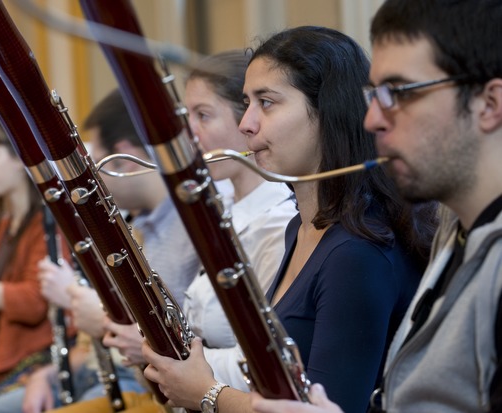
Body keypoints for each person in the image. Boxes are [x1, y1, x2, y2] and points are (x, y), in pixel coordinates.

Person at [141, 26, 439, 413]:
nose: (246, 124)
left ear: (328, 110)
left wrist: (208, 394)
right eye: (247, 102)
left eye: (266, 102)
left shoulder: (357, 253)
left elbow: (332, 407)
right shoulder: (301, 227)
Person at [250, 1, 502, 412]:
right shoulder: (455, 236)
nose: (372, 119)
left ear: (488, 104)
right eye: (375, 94)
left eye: (399, 92)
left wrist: (214, 397)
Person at [21, 89, 202, 413]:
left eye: (96, 165)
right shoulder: (133, 223)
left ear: (122, 158)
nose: (95, 180)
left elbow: (187, 338)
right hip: (140, 383)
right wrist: (47, 374)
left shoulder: (194, 227)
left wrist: (100, 317)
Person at [182, 49, 296, 385]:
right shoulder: (224, 209)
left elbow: (268, 367)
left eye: (203, 115)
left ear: (245, 123)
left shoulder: (280, 222)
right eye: (185, 116)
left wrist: (177, 361)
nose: (189, 133)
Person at [0, 121, 68, 413]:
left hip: (35, 366)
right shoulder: (8, 224)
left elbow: (33, 302)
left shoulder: (48, 224)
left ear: (20, 159)